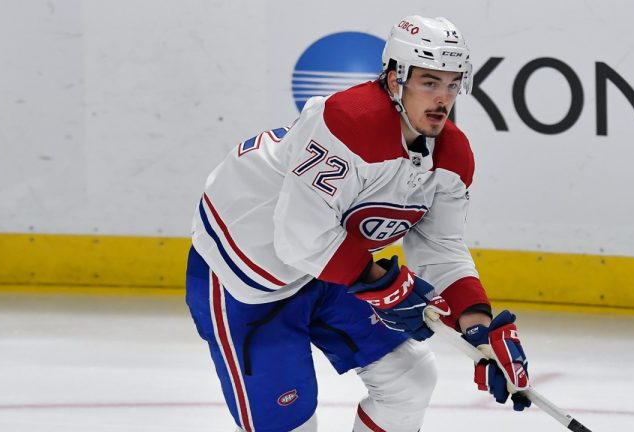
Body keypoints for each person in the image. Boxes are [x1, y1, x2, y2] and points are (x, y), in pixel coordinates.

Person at [185, 15, 531, 432]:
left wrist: (477, 328)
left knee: (410, 377)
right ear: (393, 79)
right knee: (289, 422)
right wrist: (387, 287)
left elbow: (440, 247)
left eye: (452, 84)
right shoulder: (350, 122)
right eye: (429, 82)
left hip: (332, 266)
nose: (443, 99)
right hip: (246, 275)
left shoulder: (452, 156)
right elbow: (298, 237)